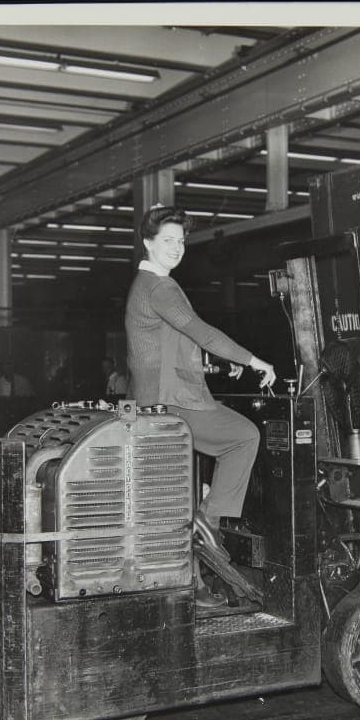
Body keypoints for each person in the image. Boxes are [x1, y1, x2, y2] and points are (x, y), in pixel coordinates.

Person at [125, 206, 275, 606]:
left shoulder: (144, 284)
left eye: (181, 241)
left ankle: (198, 583)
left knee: (176, 500)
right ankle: (209, 523)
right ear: (148, 243)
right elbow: (201, 331)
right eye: (167, 241)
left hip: (154, 403)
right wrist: (253, 360)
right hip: (172, 404)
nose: (176, 248)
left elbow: (172, 344)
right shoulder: (160, 287)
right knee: (244, 436)